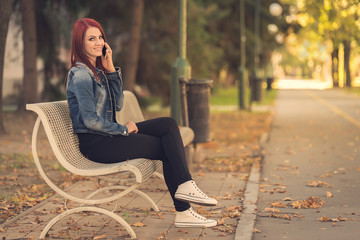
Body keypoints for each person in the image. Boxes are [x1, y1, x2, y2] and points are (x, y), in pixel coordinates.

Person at [66, 18, 217, 228]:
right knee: (167, 147)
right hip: (97, 144)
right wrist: (123, 129)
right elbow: (90, 121)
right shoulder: (81, 74)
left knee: (168, 125)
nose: (99, 42)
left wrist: (111, 71)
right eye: (91, 39)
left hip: (109, 136)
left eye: (100, 37)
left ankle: (186, 186)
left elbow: (117, 104)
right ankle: (184, 208)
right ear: (79, 43)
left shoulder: (98, 72)